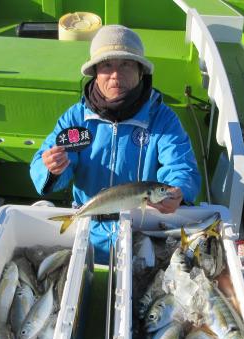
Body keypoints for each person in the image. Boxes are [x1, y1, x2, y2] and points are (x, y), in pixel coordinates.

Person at [30, 25, 201, 263]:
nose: (115, 75)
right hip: (88, 227)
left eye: (126, 64)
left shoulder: (162, 118)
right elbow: (42, 163)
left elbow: (181, 166)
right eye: (107, 65)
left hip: (141, 229)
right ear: (95, 72)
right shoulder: (76, 118)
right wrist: (52, 167)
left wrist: (178, 191)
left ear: (141, 71)